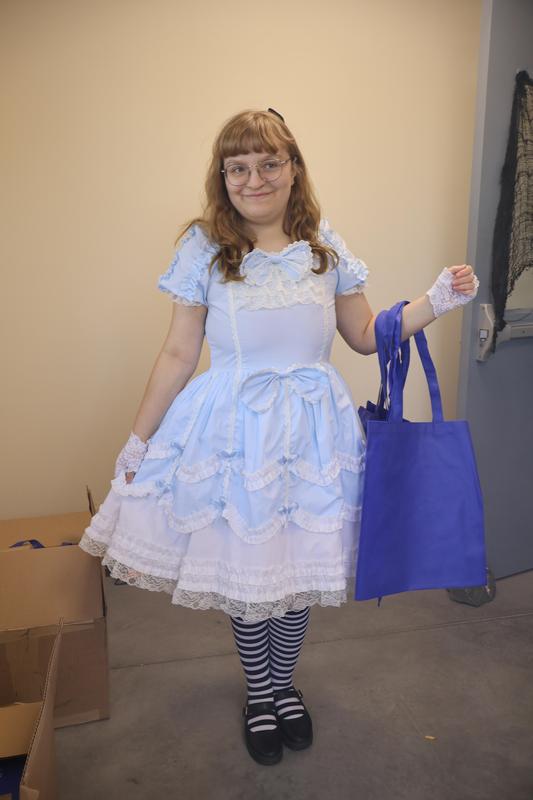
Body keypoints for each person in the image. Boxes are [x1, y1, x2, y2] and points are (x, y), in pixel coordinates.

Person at [78, 108, 479, 766]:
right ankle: (258, 692)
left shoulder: (325, 247)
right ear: (223, 177)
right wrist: (137, 440)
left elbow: (362, 333)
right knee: (249, 575)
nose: (253, 178)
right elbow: (179, 354)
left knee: (295, 572)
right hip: (234, 433)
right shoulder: (203, 247)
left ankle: (283, 686)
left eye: (268, 163)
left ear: (293, 170)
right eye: (237, 167)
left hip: (313, 433)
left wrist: (433, 301)